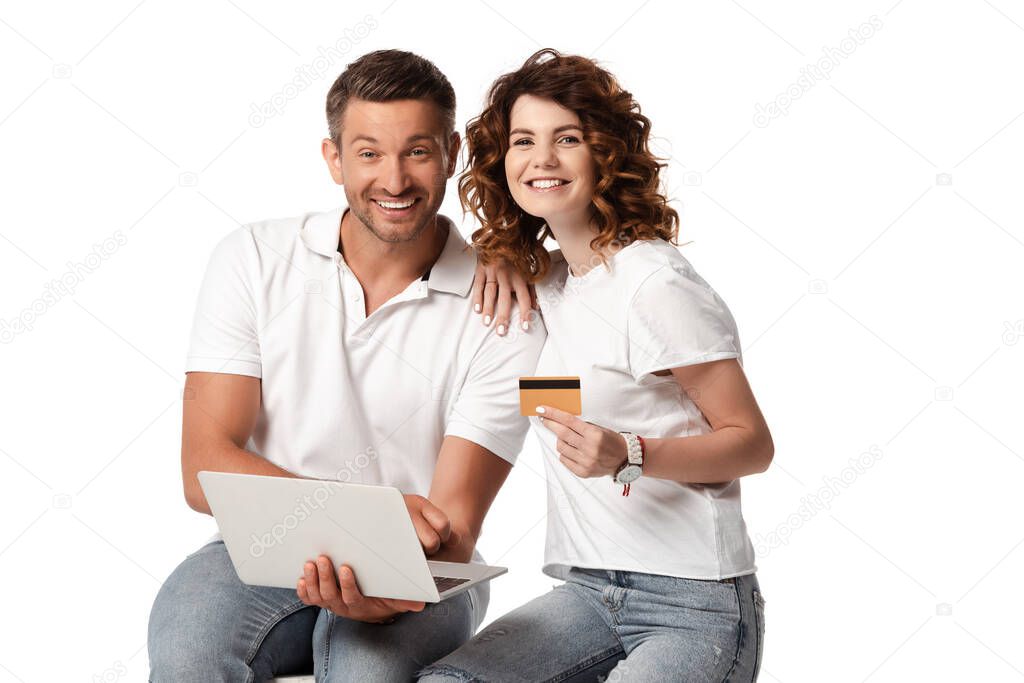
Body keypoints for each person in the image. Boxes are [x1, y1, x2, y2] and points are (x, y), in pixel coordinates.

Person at [146, 49, 545, 682]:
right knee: (189, 650)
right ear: (333, 159)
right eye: (368, 153)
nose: (393, 180)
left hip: (423, 572)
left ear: (451, 155)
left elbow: (455, 532)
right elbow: (203, 472)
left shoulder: (505, 308)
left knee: (366, 669)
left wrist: (387, 578)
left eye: (417, 151)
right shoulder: (251, 258)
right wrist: (353, 515)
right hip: (260, 549)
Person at [419, 49, 773, 682]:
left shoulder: (654, 285)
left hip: (694, 601)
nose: (542, 159)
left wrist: (631, 453)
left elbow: (752, 444)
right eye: (523, 141)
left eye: (568, 139)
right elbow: (432, 245)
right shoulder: (550, 283)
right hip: (586, 592)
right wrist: (495, 252)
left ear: (605, 154)